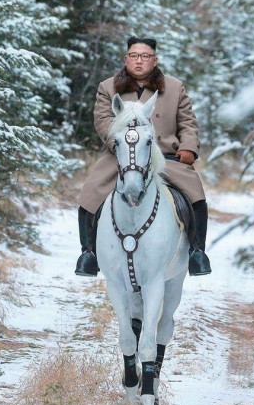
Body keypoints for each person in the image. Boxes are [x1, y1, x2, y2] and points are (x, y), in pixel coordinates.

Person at [75, 36, 212, 277]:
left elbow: (188, 122)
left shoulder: (174, 87)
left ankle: (197, 253)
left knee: (196, 198)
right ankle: (89, 253)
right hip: (121, 156)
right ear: (126, 59)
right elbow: (103, 121)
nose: (139, 61)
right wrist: (120, 142)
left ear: (155, 60)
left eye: (145, 56)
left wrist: (189, 147)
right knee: (90, 195)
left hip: (167, 157)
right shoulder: (107, 88)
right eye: (134, 56)